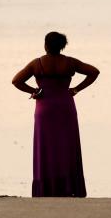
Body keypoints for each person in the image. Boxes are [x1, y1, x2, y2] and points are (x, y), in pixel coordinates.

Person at [12, 31, 100, 197]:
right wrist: (76, 89)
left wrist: (34, 91)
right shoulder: (70, 62)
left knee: (46, 148)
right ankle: (69, 187)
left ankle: (46, 188)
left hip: (44, 108)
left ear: (45, 45)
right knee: (66, 146)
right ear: (62, 46)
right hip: (65, 107)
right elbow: (94, 72)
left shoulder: (36, 63)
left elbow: (16, 80)